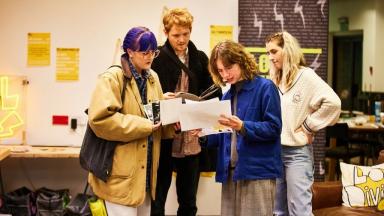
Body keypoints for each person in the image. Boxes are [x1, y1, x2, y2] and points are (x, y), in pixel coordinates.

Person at [87, 26, 173, 216]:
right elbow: (100, 120)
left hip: (146, 178)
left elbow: (157, 120)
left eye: (153, 52)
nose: (150, 57)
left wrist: (174, 122)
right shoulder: (112, 78)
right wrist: (145, 126)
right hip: (120, 180)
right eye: (144, 52)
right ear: (130, 52)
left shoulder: (153, 78)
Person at [150, 8, 220, 216]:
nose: (181, 40)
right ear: (165, 33)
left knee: (189, 202)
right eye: (175, 35)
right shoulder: (156, 59)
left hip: (192, 140)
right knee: (157, 201)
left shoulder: (199, 57)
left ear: (191, 31)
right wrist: (164, 102)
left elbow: (212, 92)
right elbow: (146, 100)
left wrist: (199, 112)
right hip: (164, 139)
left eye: (185, 34)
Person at [265, 31, 341, 216]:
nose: (270, 57)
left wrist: (309, 126)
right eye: (268, 53)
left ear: (287, 49)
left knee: (300, 210)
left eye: (274, 51)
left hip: (297, 154)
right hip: (274, 151)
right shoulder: (272, 80)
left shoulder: (306, 76)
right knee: (277, 211)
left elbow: (333, 103)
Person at [206, 40, 282, 216]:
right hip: (230, 174)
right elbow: (223, 134)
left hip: (257, 173)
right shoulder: (226, 95)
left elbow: (274, 128)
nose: (225, 75)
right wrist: (201, 134)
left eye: (228, 67)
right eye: (220, 70)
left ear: (240, 60)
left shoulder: (265, 87)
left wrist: (242, 126)